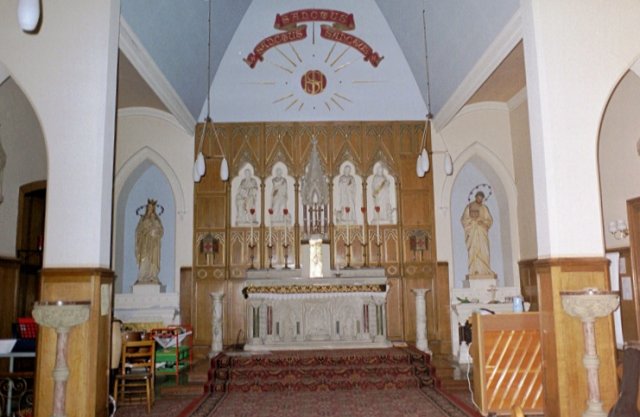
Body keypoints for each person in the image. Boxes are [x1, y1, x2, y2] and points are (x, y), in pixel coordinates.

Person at [460, 191, 495, 277]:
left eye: (481, 198)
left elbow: (489, 220)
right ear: (475, 197)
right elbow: (464, 220)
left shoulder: (484, 208)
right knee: (473, 250)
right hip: (473, 233)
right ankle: (474, 270)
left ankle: (485, 270)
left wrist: (483, 223)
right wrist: (473, 221)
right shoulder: (469, 207)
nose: (480, 200)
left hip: (482, 232)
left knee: (484, 251)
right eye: (478, 198)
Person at [135, 199, 164, 284]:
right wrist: (146, 231)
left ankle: (153, 275)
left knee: (153, 259)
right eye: (149, 208)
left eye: (152, 208)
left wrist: (155, 232)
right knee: (145, 258)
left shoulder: (156, 219)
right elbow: (138, 231)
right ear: (147, 208)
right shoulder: (143, 219)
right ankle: (143, 276)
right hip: (145, 242)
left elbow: (161, 230)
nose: (151, 210)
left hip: (154, 243)